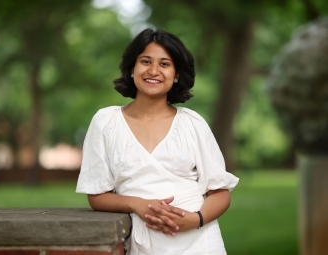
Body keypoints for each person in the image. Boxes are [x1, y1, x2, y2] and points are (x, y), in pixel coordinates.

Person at [76, 28, 239, 255]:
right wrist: (137, 204)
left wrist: (195, 220)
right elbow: (97, 195)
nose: (153, 71)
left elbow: (220, 192)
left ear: (177, 75)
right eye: (145, 61)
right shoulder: (106, 122)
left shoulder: (192, 123)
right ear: (132, 68)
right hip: (145, 241)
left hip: (199, 241)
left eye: (164, 64)